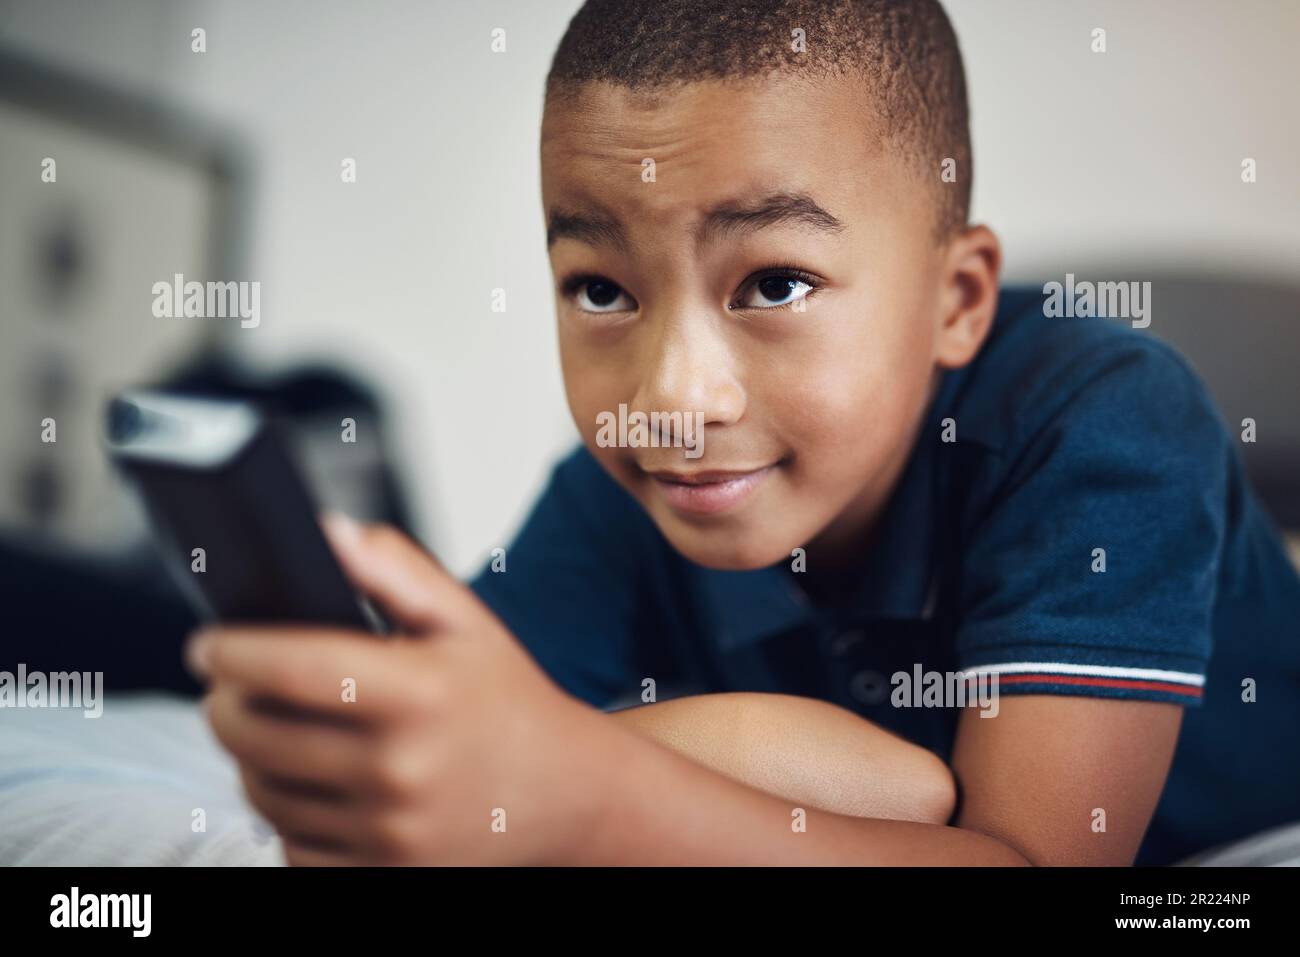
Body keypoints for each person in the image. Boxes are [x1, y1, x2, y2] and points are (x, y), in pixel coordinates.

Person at [186, 0, 1300, 866]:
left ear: (955, 301)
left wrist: (580, 782)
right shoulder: (629, 491)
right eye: (602, 292)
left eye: (772, 281)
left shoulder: (1105, 418)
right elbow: (452, 745)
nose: (672, 397)